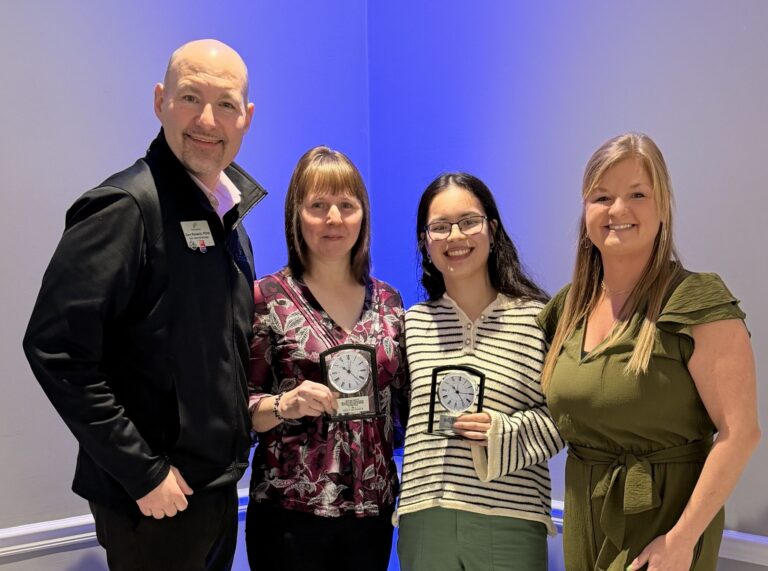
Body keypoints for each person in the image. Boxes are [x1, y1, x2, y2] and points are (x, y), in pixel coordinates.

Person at [23, 39, 265, 570]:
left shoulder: (230, 222)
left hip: (215, 493)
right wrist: (143, 472)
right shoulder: (125, 208)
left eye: (225, 104)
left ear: (245, 118)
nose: (207, 119)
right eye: (189, 97)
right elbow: (56, 349)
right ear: (160, 101)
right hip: (152, 504)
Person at [537, 133, 760, 571]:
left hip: (665, 527)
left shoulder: (696, 301)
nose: (618, 210)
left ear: (663, 207)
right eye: (602, 197)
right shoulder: (567, 308)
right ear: (586, 212)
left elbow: (741, 433)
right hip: (586, 517)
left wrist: (681, 541)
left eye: (637, 194)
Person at [245, 146, 408, 571]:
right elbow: (237, 407)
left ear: (362, 215)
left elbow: (404, 406)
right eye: (318, 205)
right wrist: (284, 404)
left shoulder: (389, 301)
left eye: (346, 205)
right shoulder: (267, 299)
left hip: (372, 514)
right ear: (297, 215)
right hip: (289, 515)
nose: (333, 219)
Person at [396, 173, 564, 571]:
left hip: (511, 517)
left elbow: (568, 414)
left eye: (469, 221)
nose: (455, 237)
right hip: (424, 517)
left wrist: (500, 432)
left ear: (491, 228)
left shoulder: (539, 318)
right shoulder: (411, 323)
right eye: (439, 227)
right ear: (425, 242)